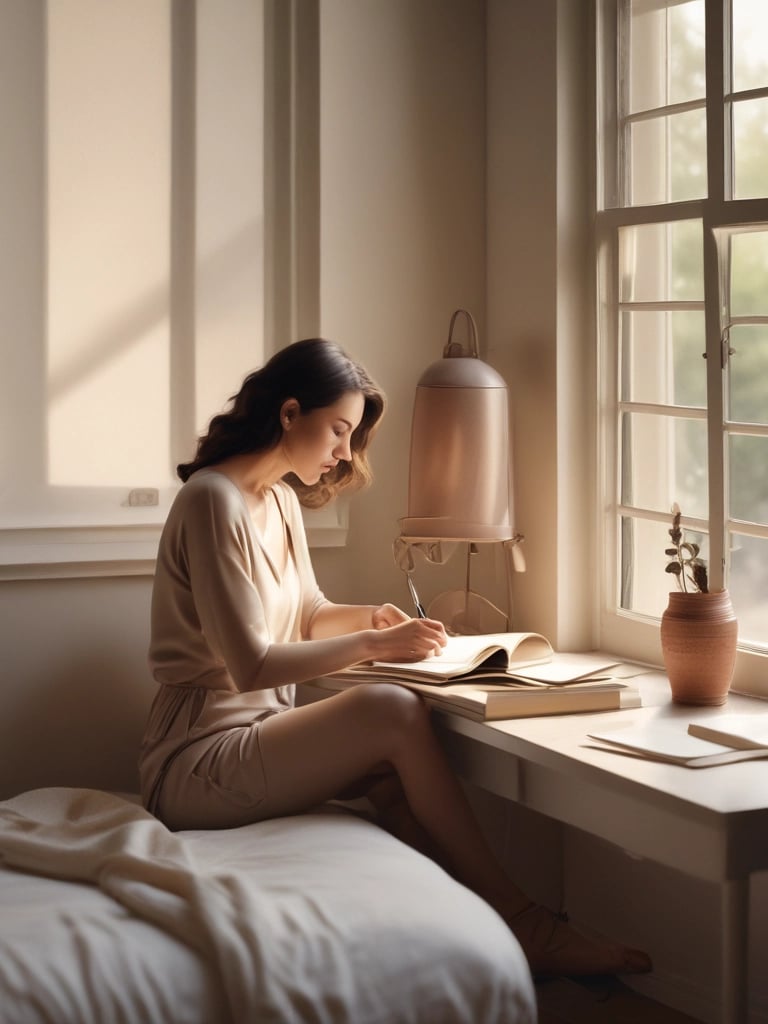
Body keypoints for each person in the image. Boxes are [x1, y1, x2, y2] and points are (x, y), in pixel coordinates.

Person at [139, 337, 652, 980]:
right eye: (339, 431)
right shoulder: (212, 500)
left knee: (392, 773)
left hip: (255, 735)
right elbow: (251, 666)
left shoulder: (279, 501)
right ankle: (525, 924)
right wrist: (375, 647)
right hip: (197, 759)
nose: (344, 454)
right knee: (389, 709)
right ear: (290, 412)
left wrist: (375, 617)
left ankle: (485, 934)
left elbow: (307, 611)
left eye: (350, 437)